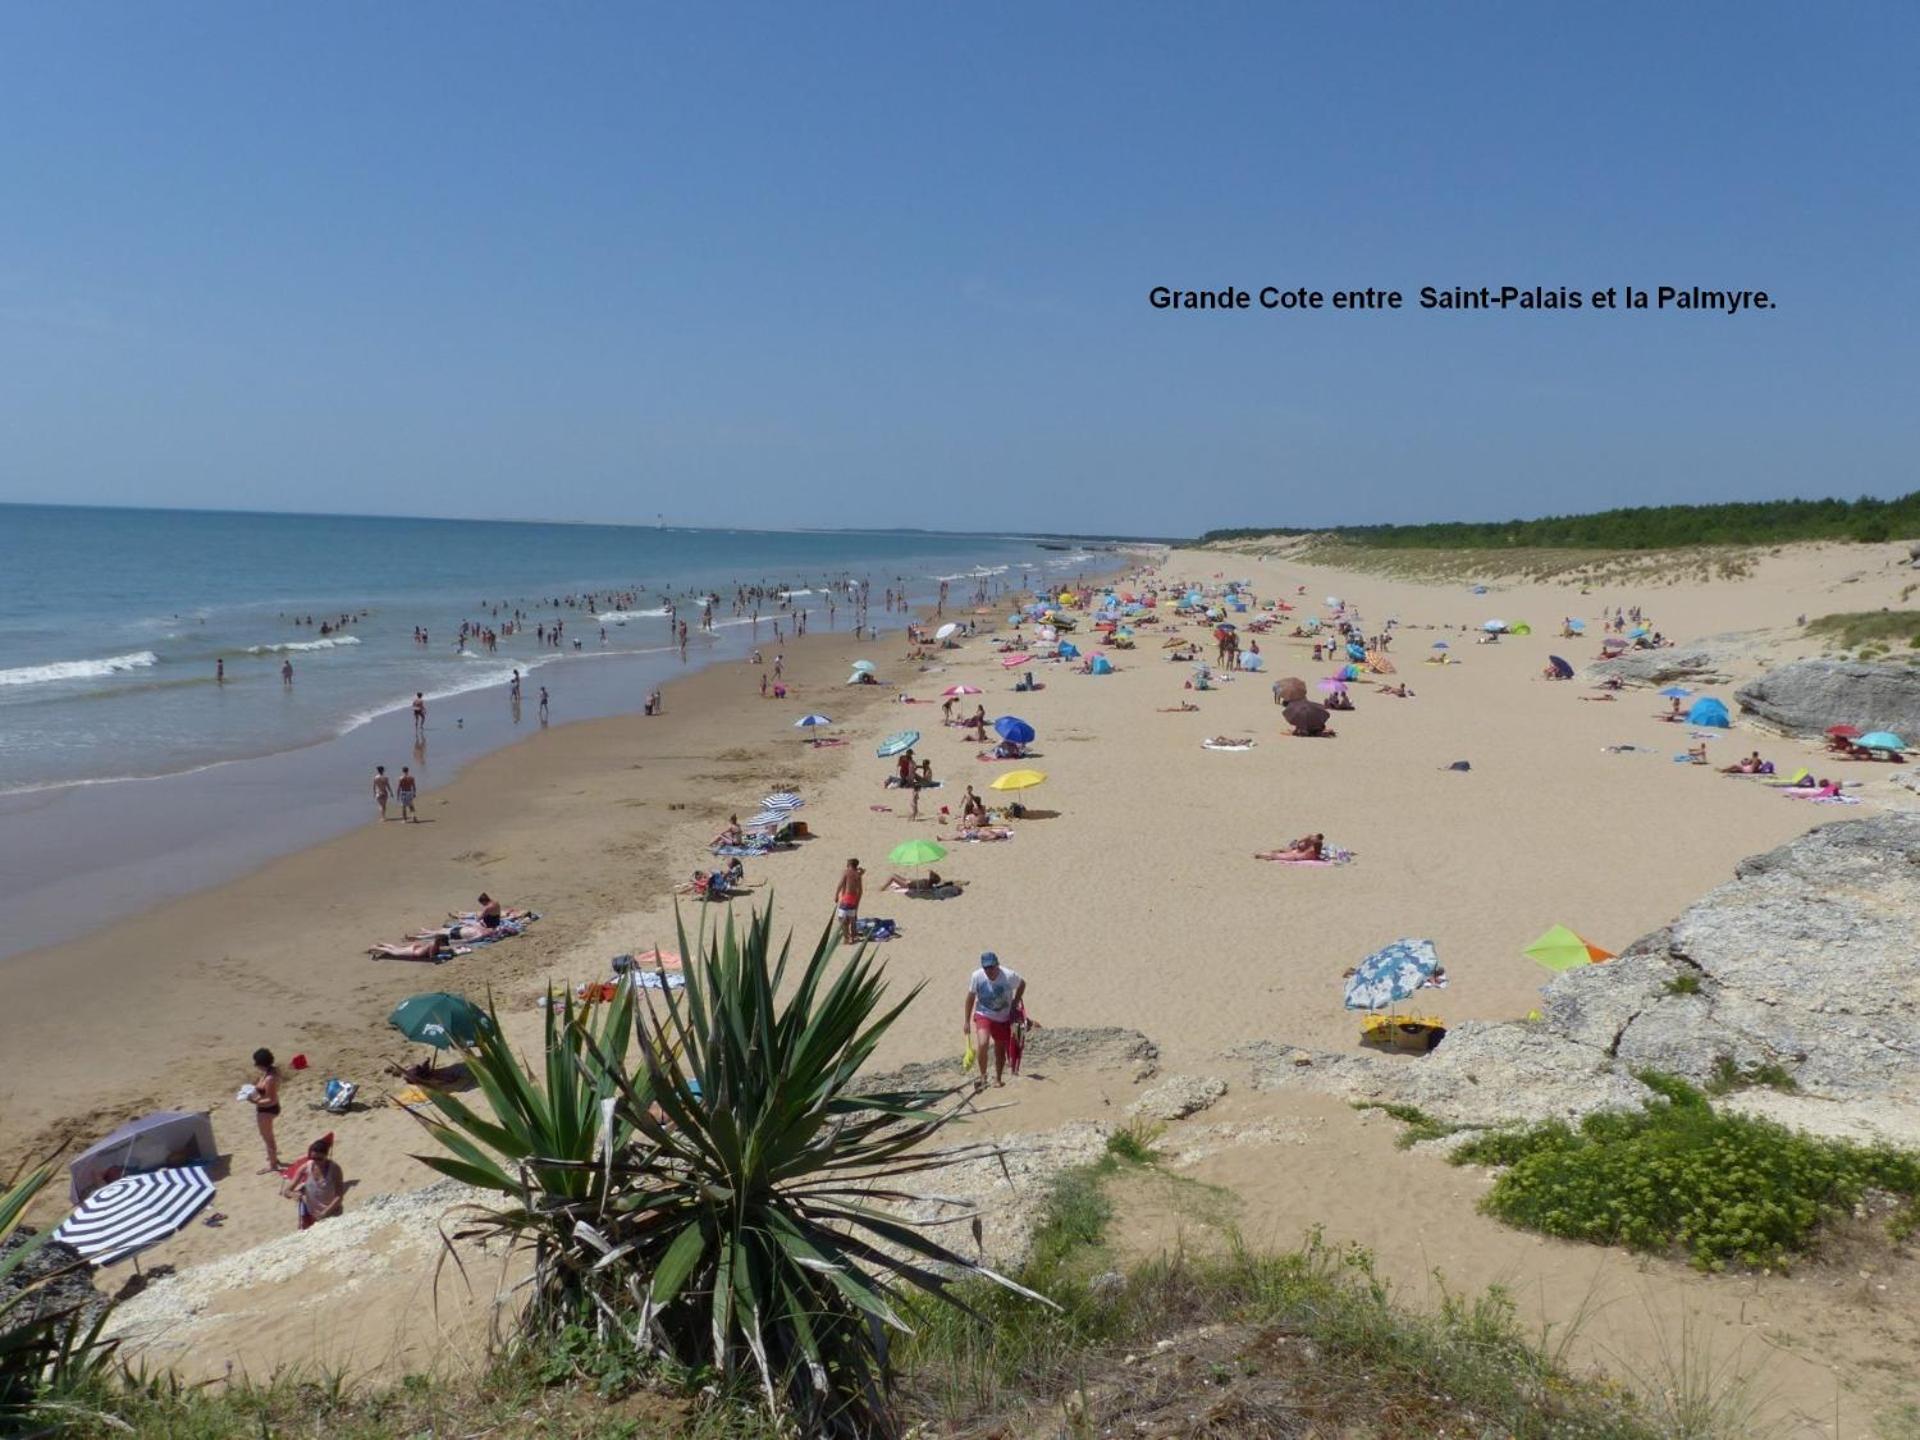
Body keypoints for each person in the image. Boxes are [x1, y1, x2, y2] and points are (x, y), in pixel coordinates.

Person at [963, 952, 1025, 1088]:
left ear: (997, 964)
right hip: (983, 1014)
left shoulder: (1009, 976)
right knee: (983, 1043)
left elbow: (1022, 984)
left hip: (1003, 1018)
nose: (989, 970)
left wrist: (1015, 1000)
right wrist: (967, 1021)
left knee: (999, 1049)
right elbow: (970, 998)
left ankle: (998, 1078)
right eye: (986, 968)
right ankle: (983, 1077)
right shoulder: (977, 976)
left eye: (992, 967)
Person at [282, 1136, 344, 1229]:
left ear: (326, 1156)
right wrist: (294, 1194)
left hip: (332, 1213)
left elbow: (339, 1196)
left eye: (319, 1159)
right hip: (312, 1214)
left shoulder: (335, 1169)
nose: (316, 1162)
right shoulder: (306, 1167)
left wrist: (325, 1213)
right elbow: (286, 1192)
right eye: (313, 1158)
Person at [248, 1048, 282, 1172]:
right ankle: (273, 1158)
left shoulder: (270, 1078)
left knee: (267, 1137)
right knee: (268, 1136)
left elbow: (270, 1100)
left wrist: (254, 1101)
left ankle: (273, 1165)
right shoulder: (271, 1071)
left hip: (267, 1110)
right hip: (268, 1108)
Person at [835, 858, 864, 944]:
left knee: (842, 919)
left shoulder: (846, 872)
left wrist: (836, 895)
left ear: (849, 865)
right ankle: (854, 936)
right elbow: (860, 889)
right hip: (854, 898)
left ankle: (847, 938)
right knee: (852, 919)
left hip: (846, 898)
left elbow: (840, 884)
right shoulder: (857, 874)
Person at [1255, 833, 1324, 861]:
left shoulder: (1311, 839)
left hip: (1298, 851)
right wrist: (1298, 844)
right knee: (1281, 854)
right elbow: (1304, 845)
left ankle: (1263, 855)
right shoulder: (1315, 842)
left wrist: (1298, 844)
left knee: (1281, 853)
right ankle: (1262, 855)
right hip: (1298, 852)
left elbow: (1302, 842)